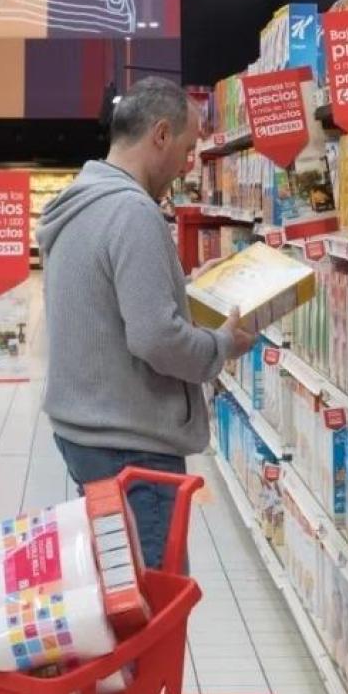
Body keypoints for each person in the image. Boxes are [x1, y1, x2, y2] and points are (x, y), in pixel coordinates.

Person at [37, 76, 257, 569]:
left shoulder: (78, 202)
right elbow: (156, 338)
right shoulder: (132, 213)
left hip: (87, 432)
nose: (188, 163)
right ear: (160, 134)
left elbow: (107, 309)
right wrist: (221, 345)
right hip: (131, 448)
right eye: (188, 145)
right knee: (149, 607)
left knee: (116, 593)